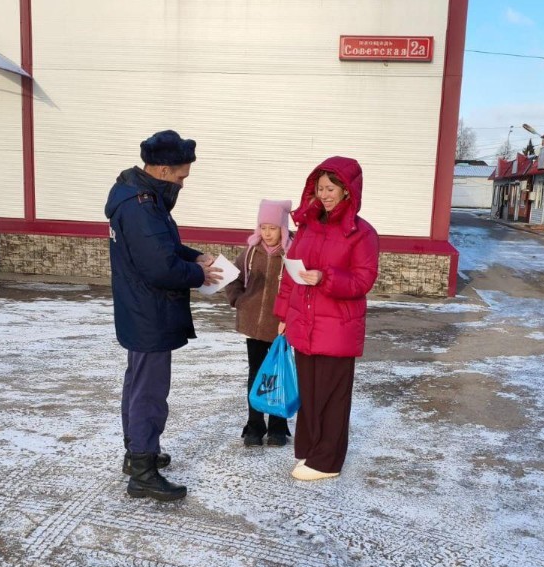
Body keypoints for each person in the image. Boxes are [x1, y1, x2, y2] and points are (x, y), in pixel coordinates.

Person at [104, 129, 222, 501]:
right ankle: (142, 468)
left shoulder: (141, 199)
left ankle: (139, 451)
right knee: (149, 391)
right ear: (164, 170)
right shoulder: (140, 206)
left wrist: (193, 256)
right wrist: (198, 274)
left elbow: (163, 246)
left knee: (138, 383)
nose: (183, 184)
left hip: (141, 308)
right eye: (182, 176)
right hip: (148, 311)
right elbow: (159, 266)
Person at [274, 156, 379, 481]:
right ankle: (310, 449)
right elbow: (290, 275)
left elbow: (364, 280)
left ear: (347, 191)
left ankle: (327, 461)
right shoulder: (306, 227)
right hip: (304, 324)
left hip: (338, 328)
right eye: (320, 188)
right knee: (309, 392)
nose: (325, 194)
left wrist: (327, 278)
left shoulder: (362, 233)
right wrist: (282, 315)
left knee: (332, 397)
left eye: (332, 188)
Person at [225, 199, 293, 448]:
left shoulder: (292, 254)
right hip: (254, 326)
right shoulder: (251, 252)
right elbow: (232, 277)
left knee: (277, 375)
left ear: (283, 228)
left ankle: (277, 426)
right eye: (263, 227)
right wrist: (238, 300)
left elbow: (298, 289)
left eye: (272, 228)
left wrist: (290, 318)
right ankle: (254, 425)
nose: (267, 232)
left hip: (280, 328)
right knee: (256, 375)